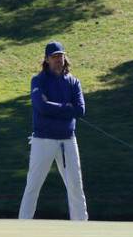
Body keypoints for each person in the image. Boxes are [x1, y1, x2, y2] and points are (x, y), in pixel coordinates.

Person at [19, 41, 88, 220]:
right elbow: (40, 106)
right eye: (54, 57)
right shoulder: (38, 80)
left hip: (68, 140)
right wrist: (67, 108)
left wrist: (53, 106)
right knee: (33, 185)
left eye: (61, 56)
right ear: (47, 59)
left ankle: (82, 227)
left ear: (65, 58)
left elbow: (80, 110)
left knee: (75, 186)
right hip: (43, 140)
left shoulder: (73, 82)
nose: (58, 60)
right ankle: (22, 226)